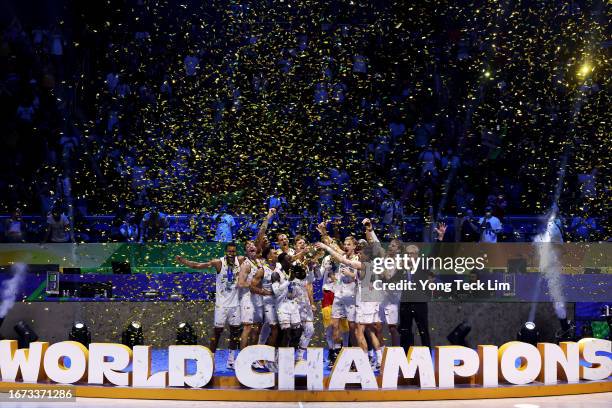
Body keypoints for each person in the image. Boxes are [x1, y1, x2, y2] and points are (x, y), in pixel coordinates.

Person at [175, 243, 243, 369]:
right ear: (225, 252)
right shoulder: (219, 263)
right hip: (221, 305)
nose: (231, 254)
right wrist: (183, 261)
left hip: (235, 304)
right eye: (229, 251)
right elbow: (198, 266)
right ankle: (211, 359)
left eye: (233, 252)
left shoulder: (240, 260)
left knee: (235, 333)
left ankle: (231, 360)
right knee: (217, 333)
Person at [398, 223, 446, 351]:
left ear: (417, 255)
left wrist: (440, 239)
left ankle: (427, 357)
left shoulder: (423, 265)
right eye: (408, 254)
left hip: (419, 302)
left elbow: (434, 255)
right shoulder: (401, 267)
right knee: (405, 331)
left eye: (412, 254)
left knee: (423, 330)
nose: (410, 256)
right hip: (405, 303)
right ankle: (405, 357)